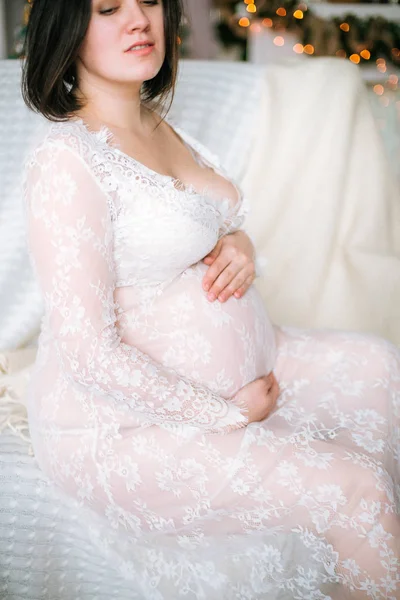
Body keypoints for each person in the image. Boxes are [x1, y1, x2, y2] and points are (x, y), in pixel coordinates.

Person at [21, 0, 399, 598]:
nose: (138, 19)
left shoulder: (156, 122)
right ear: (66, 30)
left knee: (384, 368)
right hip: (119, 429)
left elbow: (204, 222)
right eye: (108, 8)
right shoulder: (67, 162)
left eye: (147, 1)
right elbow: (87, 355)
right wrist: (225, 415)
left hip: (253, 362)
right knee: (357, 489)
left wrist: (240, 244)